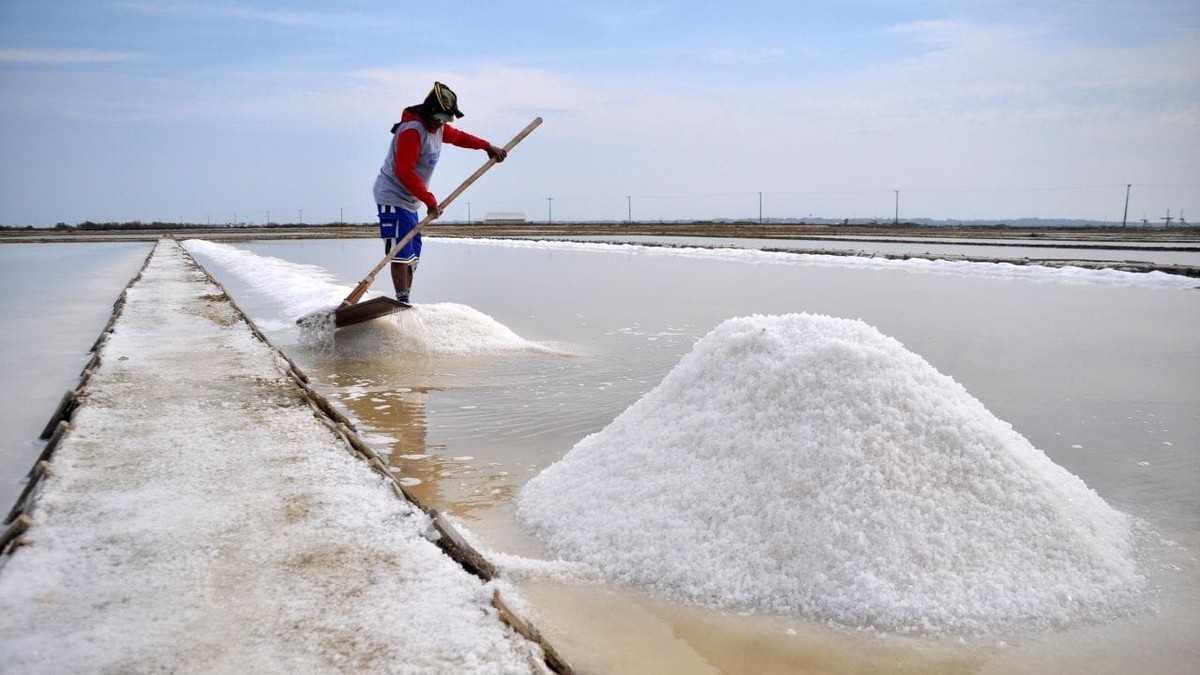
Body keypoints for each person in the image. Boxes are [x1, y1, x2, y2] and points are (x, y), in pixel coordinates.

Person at [372, 81, 507, 306]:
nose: (441, 124)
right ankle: (402, 301)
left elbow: (461, 138)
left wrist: (486, 146)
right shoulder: (412, 131)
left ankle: (405, 301)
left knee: (413, 254)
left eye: (446, 120)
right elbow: (404, 171)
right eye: (439, 118)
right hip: (393, 195)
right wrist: (430, 199)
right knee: (400, 251)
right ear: (429, 112)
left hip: (412, 200)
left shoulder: (439, 128)